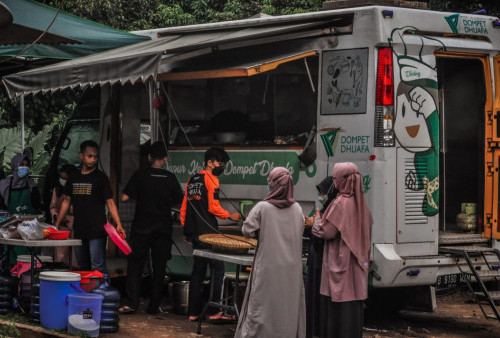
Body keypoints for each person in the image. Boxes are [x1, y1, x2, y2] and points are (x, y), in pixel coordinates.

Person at [235, 167, 306, 338]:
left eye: (269, 181)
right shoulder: (297, 208)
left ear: (274, 185)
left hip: (267, 266)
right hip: (291, 269)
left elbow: (247, 230)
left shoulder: (263, 207)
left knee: (263, 304)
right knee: (287, 305)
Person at [119, 141, 184, 315]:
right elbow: (179, 199)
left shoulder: (140, 175)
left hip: (141, 227)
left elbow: (124, 197)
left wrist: (141, 195)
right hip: (163, 229)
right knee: (159, 266)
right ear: (165, 159)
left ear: (148, 157)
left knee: (135, 265)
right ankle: (153, 307)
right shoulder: (170, 177)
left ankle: (132, 304)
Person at [311, 162, 373, 338]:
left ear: (341, 181)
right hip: (357, 264)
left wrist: (316, 220)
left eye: (336, 178)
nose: (334, 182)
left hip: (340, 264)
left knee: (336, 311)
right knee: (352, 311)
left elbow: (326, 232)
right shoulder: (362, 204)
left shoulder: (340, 203)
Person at [180, 147, 241, 322]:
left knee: (198, 271)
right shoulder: (211, 179)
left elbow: (185, 207)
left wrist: (187, 230)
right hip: (208, 232)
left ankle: (193, 312)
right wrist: (230, 215)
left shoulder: (192, 180)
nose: (221, 167)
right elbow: (213, 207)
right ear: (210, 163)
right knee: (218, 269)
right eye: (220, 163)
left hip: (195, 232)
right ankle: (215, 311)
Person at [55, 140, 126, 286]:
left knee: (98, 268)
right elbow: (67, 201)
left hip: (97, 231)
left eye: (95, 157)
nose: (93, 160)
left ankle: (104, 299)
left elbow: (110, 202)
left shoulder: (101, 178)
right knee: (82, 269)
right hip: (79, 229)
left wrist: (118, 223)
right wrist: (56, 224)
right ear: (81, 156)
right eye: (90, 156)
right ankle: (85, 300)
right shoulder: (74, 176)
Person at [304, 175, 338, 338]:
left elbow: (325, 232)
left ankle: (316, 329)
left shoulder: (333, 208)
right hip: (317, 257)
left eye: (324, 191)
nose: (321, 195)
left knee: (317, 294)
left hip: (321, 259)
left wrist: (315, 222)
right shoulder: (329, 207)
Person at [0, 154, 41, 264]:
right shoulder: (4, 185)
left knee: (30, 258)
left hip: (29, 228)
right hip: (10, 228)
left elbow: (37, 207)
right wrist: (8, 221)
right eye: (21, 165)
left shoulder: (32, 185)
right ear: (15, 166)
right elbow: (1, 208)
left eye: (27, 165)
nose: (24, 167)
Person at [50, 164, 76, 264]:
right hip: (60, 226)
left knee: (73, 255)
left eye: (65, 178)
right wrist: (56, 216)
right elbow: (52, 207)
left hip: (73, 226)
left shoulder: (76, 191)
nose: (63, 180)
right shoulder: (57, 190)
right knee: (60, 255)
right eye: (61, 178)